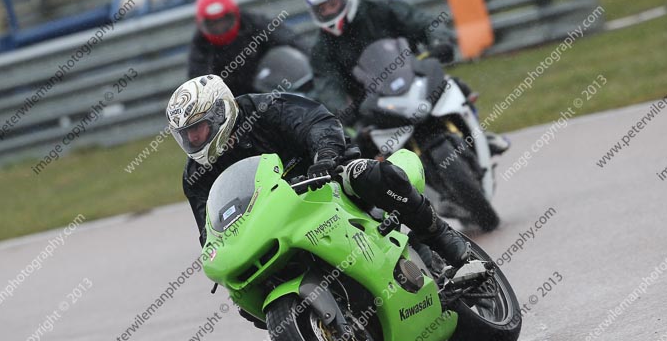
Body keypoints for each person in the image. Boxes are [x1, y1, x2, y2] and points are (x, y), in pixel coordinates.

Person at [169, 74, 472, 276]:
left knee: (367, 174)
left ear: (221, 112)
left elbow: (317, 123)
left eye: (198, 129)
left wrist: (324, 157)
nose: (194, 139)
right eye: (187, 135)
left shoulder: (265, 108)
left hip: (324, 178)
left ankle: (440, 236)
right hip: (275, 218)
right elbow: (209, 227)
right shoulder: (196, 174)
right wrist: (219, 255)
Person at [303, 0, 509, 155]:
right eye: (322, 9)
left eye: (333, 3)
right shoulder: (322, 49)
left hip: (414, 78)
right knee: (361, 147)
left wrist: (438, 41)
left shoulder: (382, 10)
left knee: (455, 85)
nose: (329, 11)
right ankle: (397, 189)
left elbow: (424, 22)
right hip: (372, 105)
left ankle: (480, 138)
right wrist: (340, 108)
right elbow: (327, 84)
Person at [187, 0, 310, 96]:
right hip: (233, 101)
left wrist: (314, 62)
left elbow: (290, 39)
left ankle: (300, 94)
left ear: (235, 14)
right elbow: (199, 85)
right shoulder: (200, 45)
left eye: (224, 21)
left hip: (267, 86)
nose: (220, 29)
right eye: (213, 24)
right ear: (201, 25)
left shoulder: (252, 23)